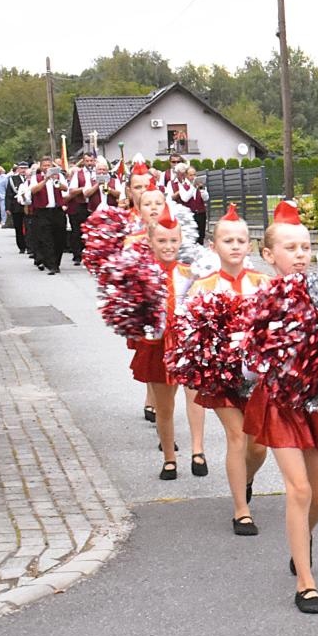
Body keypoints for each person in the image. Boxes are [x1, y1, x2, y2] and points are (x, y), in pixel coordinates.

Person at [243, 201, 318, 611]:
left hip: (317, 401)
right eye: (291, 248)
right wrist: (271, 361)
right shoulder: (261, 297)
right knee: (299, 489)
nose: (301, 254)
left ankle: (302, 537)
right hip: (280, 401)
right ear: (268, 254)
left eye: (305, 247)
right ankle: (306, 582)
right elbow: (249, 362)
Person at [183, 205, 271, 526]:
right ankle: (241, 510)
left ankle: (245, 480)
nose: (235, 246)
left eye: (240, 241)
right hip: (221, 378)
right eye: (227, 240)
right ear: (213, 246)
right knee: (236, 435)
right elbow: (191, 332)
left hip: (257, 378)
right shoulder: (203, 286)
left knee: (258, 448)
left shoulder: (264, 283)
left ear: (250, 245)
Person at [129, 205, 192, 480]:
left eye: (174, 240)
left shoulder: (190, 274)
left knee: (191, 398)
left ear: (181, 241)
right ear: (151, 242)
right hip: (157, 347)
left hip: (185, 347)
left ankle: (198, 450)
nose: (168, 246)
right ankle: (169, 457)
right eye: (162, 241)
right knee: (165, 406)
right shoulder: (143, 274)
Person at [26, 156, 70, 274]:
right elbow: (33, 190)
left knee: (59, 238)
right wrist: (45, 180)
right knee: (46, 238)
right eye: (44, 166)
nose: (47, 167)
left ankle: (56, 262)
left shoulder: (59, 176)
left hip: (57, 210)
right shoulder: (36, 178)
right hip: (42, 211)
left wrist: (56, 181)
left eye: (48, 165)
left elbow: (65, 188)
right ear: (41, 167)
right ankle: (52, 265)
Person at [171, 164, 209, 241]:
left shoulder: (200, 185)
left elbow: (206, 198)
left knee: (201, 237)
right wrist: (193, 187)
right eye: (191, 175)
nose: (193, 177)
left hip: (201, 213)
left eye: (194, 174)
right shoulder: (183, 186)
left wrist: (201, 189)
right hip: (189, 215)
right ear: (186, 176)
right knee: (191, 238)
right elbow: (185, 199)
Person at [5, 163, 29, 251]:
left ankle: (29, 246)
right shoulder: (13, 179)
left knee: (29, 226)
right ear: (18, 169)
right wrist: (8, 207)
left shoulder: (31, 178)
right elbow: (8, 194)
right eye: (21, 168)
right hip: (17, 206)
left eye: (25, 168)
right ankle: (21, 246)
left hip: (29, 206)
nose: (23, 170)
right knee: (18, 227)